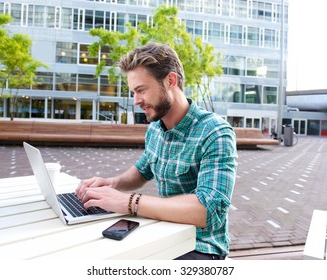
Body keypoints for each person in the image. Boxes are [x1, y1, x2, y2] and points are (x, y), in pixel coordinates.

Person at [76, 42, 237, 260]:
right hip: (162, 236)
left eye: (141, 90)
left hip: (201, 248)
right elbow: (142, 171)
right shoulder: (155, 129)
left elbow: (208, 212)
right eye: (133, 92)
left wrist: (129, 202)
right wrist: (111, 183)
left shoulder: (215, 132)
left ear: (171, 80)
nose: (136, 101)